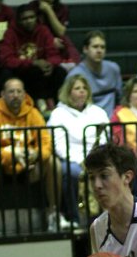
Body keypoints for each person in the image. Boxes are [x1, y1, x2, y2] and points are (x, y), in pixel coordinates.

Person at [0, 78, 68, 237]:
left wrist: (35, 154)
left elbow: (46, 143)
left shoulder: (33, 113)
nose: (15, 95)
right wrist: (12, 154)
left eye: (19, 91)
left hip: (27, 166)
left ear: (24, 94)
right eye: (11, 92)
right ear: (2, 94)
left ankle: (53, 215)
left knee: (53, 163)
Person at [47, 74, 109, 226]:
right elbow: (58, 144)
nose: (82, 91)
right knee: (73, 173)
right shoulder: (58, 114)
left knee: (107, 172)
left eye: (84, 88)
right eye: (77, 88)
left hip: (95, 157)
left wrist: (92, 158)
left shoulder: (98, 111)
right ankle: (74, 217)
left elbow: (104, 138)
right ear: (68, 92)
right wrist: (78, 161)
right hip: (71, 159)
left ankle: (105, 218)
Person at [0, 4, 67, 114]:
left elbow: (54, 55)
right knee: (11, 73)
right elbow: (6, 59)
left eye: (32, 17)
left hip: (42, 71)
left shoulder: (43, 31)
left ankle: (58, 105)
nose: (29, 21)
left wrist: (50, 64)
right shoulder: (10, 33)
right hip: (21, 71)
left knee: (60, 72)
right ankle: (36, 104)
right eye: (25, 19)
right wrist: (32, 62)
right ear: (19, 21)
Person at [29, 0, 81, 70]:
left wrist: (49, 10)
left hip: (58, 40)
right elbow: (31, 30)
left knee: (72, 51)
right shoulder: (32, 6)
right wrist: (50, 41)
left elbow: (61, 32)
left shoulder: (63, 9)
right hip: (38, 40)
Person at [67, 31, 122, 117]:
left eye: (102, 47)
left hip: (112, 122)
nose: (99, 51)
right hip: (87, 122)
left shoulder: (113, 69)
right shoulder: (75, 75)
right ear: (85, 49)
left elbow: (120, 98)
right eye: (95, 47)